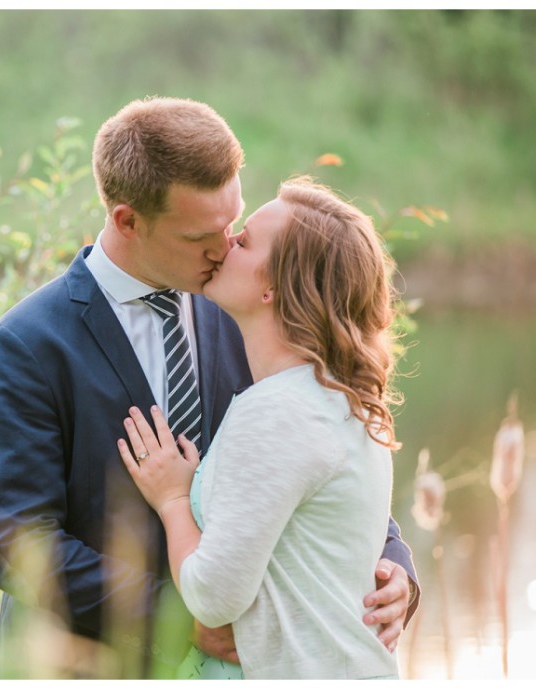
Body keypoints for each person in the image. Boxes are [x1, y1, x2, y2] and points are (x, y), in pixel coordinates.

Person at [0, 97, 419, 679]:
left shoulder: (255, 313)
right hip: (88, 665)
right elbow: (18, 544)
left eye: (232, 223)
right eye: (199, 236)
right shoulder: (27, 343)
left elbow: (316, 451)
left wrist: (393, 564)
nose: (224, 246)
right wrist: (176, 614)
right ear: (128, 220)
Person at [119, 176, 405, 679]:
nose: (225, 244)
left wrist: (171, 500)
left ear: (274, 286)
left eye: (245, 240)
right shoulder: (343, 398)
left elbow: (213, 598)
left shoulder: (276, 411)